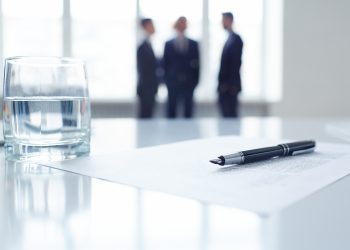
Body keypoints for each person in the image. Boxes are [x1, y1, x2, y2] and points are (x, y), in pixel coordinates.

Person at [163, 16, 200, 118]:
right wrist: (166, 81)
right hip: (173, 82)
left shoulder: (194, 44)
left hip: (189, 83)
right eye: (180, 23)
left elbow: (197, 65)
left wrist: (195, 81)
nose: (182, 25)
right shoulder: (168, 44)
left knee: (188, 111)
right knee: (171, 110)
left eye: (184, 23)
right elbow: (165, 64)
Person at [217, 12, 243, 117]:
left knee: (230, 117)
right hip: (225, 87)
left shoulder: (236, 39)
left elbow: (236, 63)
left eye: (223, 20)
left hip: (230, 87)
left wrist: (231, 85)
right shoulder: (229, 39)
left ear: (230, 20)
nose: (222, 23)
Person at [136, 18, 159, 118]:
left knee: (148, 115)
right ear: (146, 27)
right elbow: (144, 70)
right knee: (145, 116)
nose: (154, 27)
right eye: (151, 25)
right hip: (146, 89)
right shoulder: (142, 47)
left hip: (150, 88)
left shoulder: (149, 45)